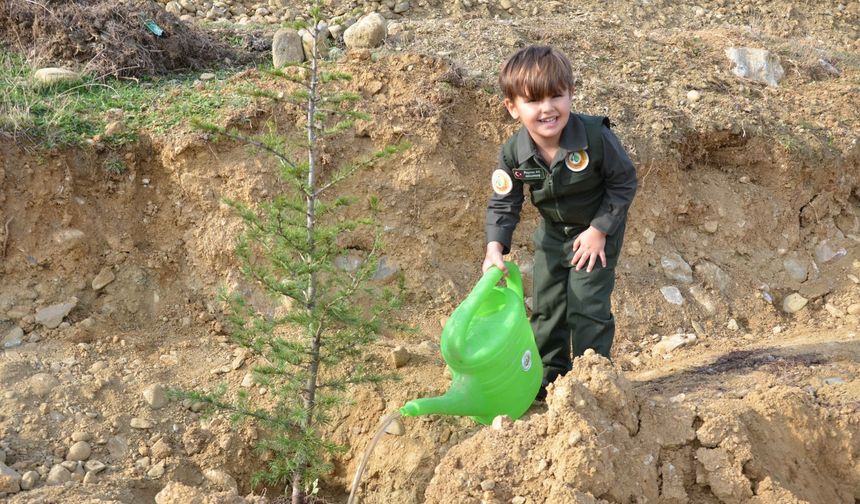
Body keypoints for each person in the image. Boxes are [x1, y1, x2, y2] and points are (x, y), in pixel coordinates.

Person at [482, 45, 637, 400]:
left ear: (570, 94)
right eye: (534, 100)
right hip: (552, 234)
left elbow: (623, 182)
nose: (548, 108)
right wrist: (495, 248)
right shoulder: (513, 153)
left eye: (557, 96)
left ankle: (592, 379)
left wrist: (599, 230)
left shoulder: (595, 137)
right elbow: (504, 201)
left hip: (597, 231)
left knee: (587, 304)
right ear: (513, 107)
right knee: (548, 306)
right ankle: (549, 377)